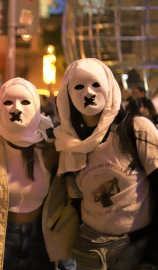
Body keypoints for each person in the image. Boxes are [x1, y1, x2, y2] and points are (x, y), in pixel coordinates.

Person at [48, 58, 158, 269]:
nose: (88, 92)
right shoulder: (69, 142)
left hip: (137, 250)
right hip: (91, 252)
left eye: (96, 84)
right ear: (68, 95)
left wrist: (153, 256)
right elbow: (74, 200)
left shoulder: (137, 129)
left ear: (109, 87)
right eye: (78, 86)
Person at [0, 78, 57, 270]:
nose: (15, 108)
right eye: (8, 102)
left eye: (25, 102)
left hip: (41, 239)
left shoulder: (51, 149)